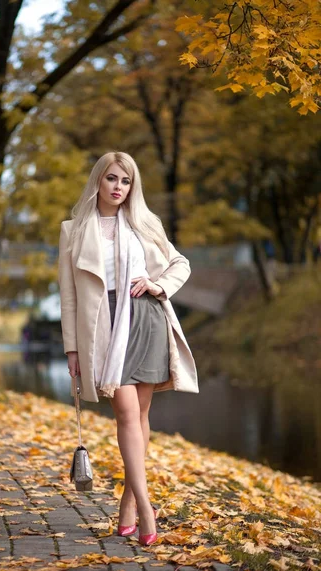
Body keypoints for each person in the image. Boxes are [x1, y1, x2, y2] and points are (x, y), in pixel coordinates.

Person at [58, 151, 199, 546]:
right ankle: (146, 506)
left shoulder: (144, 223)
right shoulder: (73, 230)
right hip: (103, 328)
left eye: (126, 181)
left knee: (140, 415)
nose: (118, 187)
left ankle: (127, 507)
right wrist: (72, 349)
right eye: (112, 179)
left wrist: (159, 286)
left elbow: (180, 264)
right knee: (125, 412)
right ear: (98, 181)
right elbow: (69, 296)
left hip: (146, 319)